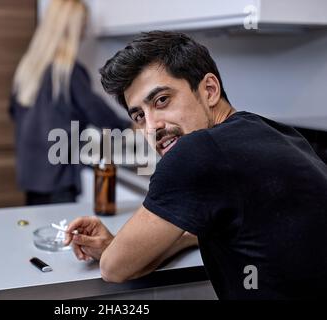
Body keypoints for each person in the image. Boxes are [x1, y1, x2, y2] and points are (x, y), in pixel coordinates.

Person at [64, 31, 327, 299]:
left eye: (162, 100)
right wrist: (124, 245)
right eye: (140, 116)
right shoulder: (275, 133)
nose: (152, 127)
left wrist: (114, 250)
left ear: (209, 90)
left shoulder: (197, 151)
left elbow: (113, 268)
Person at [9, 0, 130, 205]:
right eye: (82, 25)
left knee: (39, 230)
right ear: (71, 29)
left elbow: (13, 112)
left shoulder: (29, 68)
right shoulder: (67, 72)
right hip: (58, 175)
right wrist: (129, 125)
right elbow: (96, 112)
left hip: (32, 174)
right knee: (61, 234)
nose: (84, 31)